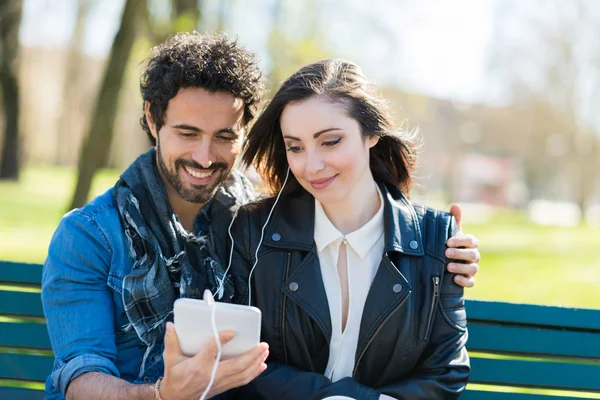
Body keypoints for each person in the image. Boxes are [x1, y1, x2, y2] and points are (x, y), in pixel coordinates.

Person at [41, 33, 478, 400]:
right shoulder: (90, 236)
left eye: (224, 136)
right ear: (153, 121)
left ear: (245, 133)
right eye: (187, 133)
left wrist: (436, 246)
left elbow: (350, 201)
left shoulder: (255, 221)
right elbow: (79, 376)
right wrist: (160, 396)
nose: (203, 155)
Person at [227, 58, 470, 399]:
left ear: (370, 133)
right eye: (295, 147)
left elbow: (446, 371)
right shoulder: (254, 231)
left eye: (330, 141)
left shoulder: (437, 238)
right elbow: (239, 358)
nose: (312, 165)